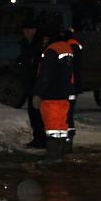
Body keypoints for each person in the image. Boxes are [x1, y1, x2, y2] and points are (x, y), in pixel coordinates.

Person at [31, 29, 77, 159]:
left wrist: (38, 93)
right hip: (64, 95)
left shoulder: (51, 51)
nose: (43, 41)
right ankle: (61, 152)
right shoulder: (66, 48)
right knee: (61, 127)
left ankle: (53, 155)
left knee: (52, 127)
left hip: (51, 96)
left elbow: (44, 75)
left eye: (45, 39)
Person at [17, 20, 47, 148]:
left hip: (38, 83)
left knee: (38, 112)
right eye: (25, 30)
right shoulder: (25, 44)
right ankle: (38, 138)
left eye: (28, 30)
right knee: (32, 112)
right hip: (30, 83)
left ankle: (41, 139)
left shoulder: (39, 44)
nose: (26, 33)